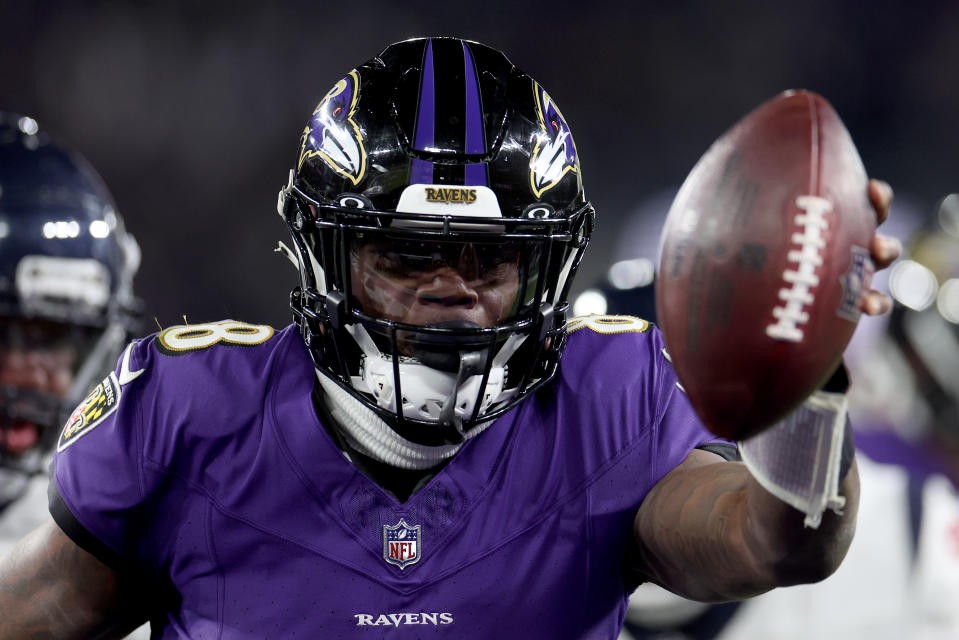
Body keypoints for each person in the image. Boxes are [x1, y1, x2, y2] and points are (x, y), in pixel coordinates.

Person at [0, 38, 900, 639]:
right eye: (409, 255)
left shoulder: (608, 399)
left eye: (488, 260)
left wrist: (804, 380)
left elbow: (783, 541)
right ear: (327, 255)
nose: (451, 293)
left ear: (547, 271)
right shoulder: (189, 415)